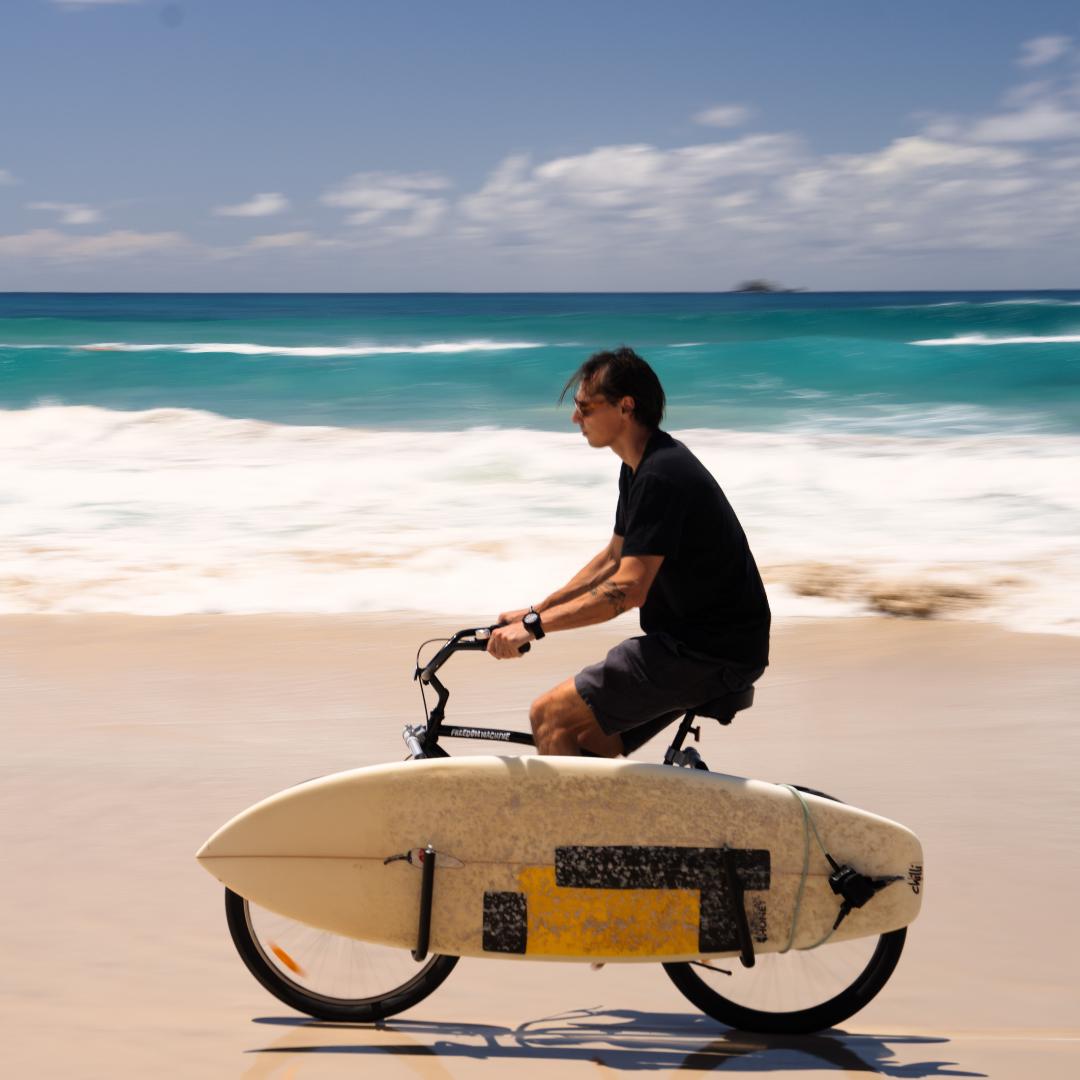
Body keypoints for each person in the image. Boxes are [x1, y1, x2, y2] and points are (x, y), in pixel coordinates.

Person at [487, 346, 771, 757]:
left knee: (549, 716)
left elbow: (629, 588)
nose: (575, 418)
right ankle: (607, 820)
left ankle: (569, 824)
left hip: (709, 651)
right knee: (585, 739)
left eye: (584, 407)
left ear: (625, 406)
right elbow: (614, 558)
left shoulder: (661, 474)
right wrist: (536, 609)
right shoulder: (639, 466)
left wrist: (535, 625)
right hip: (697, 643)